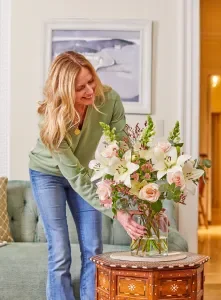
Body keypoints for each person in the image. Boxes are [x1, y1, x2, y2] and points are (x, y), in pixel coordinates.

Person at [29, 51, 145, 300]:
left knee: (93, 249)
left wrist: (137, 191)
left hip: (83, 170)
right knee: (60, 250)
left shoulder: (110, 99)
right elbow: (76, 177)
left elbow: (123, 151)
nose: (90, 91)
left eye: (91, 80)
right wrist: (117, 212)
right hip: (47, 175)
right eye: (80, 88)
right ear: (64, 91)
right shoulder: (49, 120)